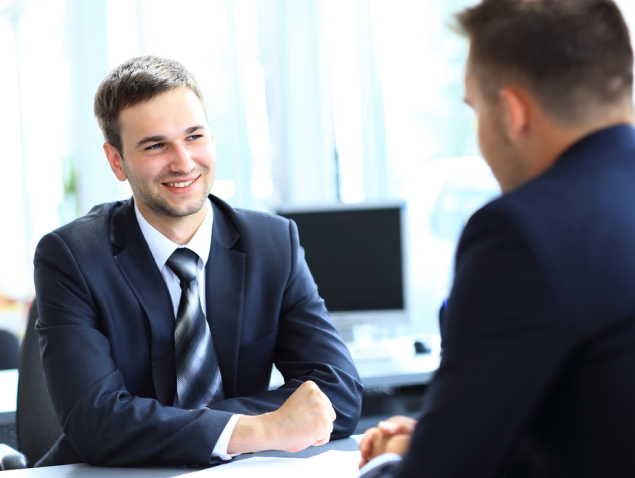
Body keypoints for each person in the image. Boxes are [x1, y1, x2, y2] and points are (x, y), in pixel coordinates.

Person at [33, 55, 362, 467]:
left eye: (194, 136)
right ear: (117, 161)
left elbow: (339, 394)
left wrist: (212, 432)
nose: (184, 162)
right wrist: (265, 428)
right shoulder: (72, 257)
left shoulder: (273, 243)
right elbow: (96, 423)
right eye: (155, 145)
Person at [358, 0, 635, 476]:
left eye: (475, 110)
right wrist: (445, 433)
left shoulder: (520, 232)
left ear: (512, 112)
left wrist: (397, 461)